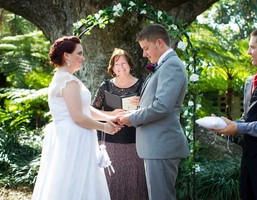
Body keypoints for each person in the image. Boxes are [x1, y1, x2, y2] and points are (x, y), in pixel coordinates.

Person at [32, 36, 121, 200]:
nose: (83, 57)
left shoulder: (63, 78)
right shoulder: (68, 81)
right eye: (79, 53)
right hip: (74, 138)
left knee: (76, 181)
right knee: (75, 181)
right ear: (67, 56)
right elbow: (78, 117)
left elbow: (85, 109)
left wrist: (110, 116)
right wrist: (104, 127)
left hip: (72, 136)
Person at [118, 24, 190, 200]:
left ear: (159, 42)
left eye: (146, 48)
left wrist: (132, 118)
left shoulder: (171, 65)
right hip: (156, 146)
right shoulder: (163, 65)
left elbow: (162, 107)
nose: (144, 54)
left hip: (161, 145)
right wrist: (140, 104)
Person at [213, 27, 257, 200]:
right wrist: (225, 124)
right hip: (249, 156)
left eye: (252, 47)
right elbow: (248, 119)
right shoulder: (250, 81)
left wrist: (238, 128)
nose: (248, 52)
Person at [92, 48, 148, 200]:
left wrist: (142, 103)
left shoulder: (142, 85)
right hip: (110, 140)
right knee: (111, 180)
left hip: (135, 140)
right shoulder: (106, 86)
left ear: (130, 65)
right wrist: (111, 115)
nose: (121, 67)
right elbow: (92, 111)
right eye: (117, 64)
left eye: (124, 63)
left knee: (135, 180)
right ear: (112, 68)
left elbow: (152, 111)